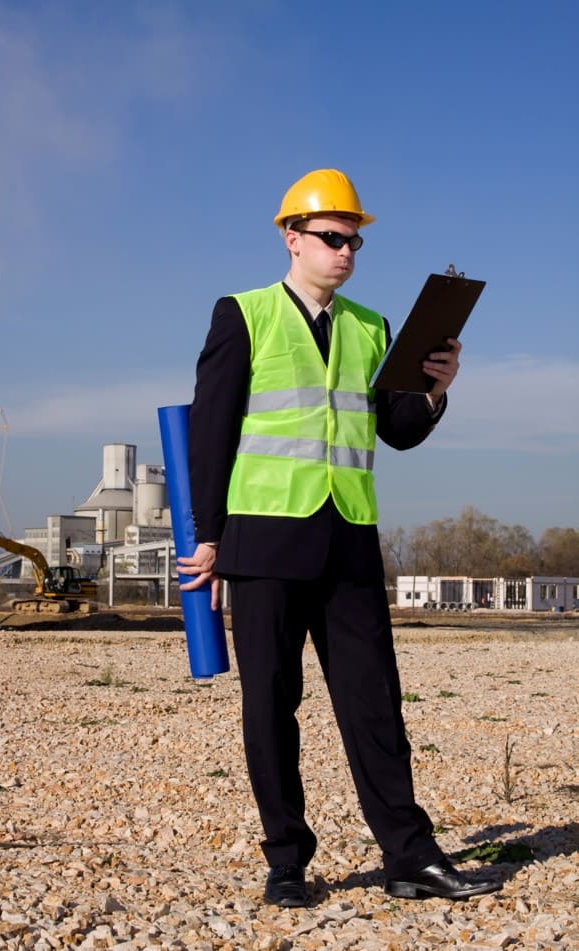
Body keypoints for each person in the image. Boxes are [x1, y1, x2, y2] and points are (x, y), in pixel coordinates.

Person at [179, 169, 500, 907]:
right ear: (292, 238)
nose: (347, 249)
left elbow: (396, 431)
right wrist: (207, 536)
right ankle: (287, 859)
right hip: (263, 541)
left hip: (349, 539)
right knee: (270, 703)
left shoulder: (372, 326)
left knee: (374, 704)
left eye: (354, 238)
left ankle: (409, 855)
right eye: (332, 237)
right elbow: (210, 431)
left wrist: (435, 388)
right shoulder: (244, 314)